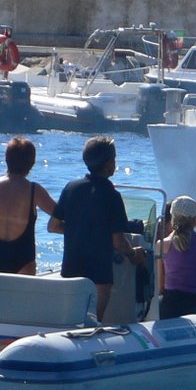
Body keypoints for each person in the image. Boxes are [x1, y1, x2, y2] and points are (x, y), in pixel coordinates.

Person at [49, 135, 143, 318]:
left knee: (72, 321)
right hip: (99, 273)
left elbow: (53, 226)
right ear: (109, 163)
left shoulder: (71, 188)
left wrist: (79, 230)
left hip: (71, 270)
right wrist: (133, 254)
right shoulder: (112, 195)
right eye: (114, 160)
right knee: (94, 321)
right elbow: (118, 241)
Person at [0, 135, 58, 275]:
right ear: (32, 163)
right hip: (22, 256)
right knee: (23, 296)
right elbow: (60, 213)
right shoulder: (34, 190)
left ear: (7, 159)